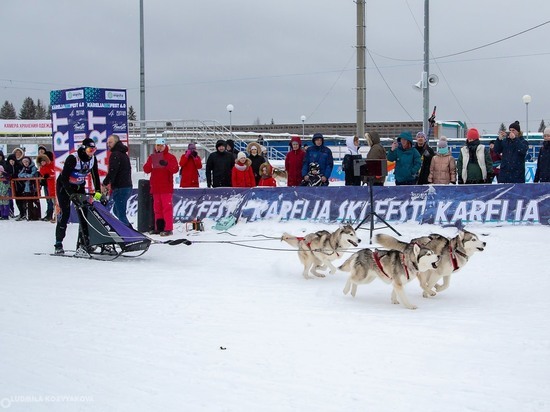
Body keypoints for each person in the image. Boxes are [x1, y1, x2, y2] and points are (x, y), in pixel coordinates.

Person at [55, 137, 101, 254]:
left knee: (84, 214)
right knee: (65, 214)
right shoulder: (73, 158)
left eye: (94, 150)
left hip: (79, 186)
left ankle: (85, 243)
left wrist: (98, 191)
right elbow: (64, 178)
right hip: (64, 187)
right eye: (90, 150)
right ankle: (58, 244)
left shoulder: (92, 159)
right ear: (83, 149)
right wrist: (71, 194)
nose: (92, 153)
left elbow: (95, 174)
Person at [143, 138, 179, 236]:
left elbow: (175, 169)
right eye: (157, 145)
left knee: (166, 208)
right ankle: (159, 227)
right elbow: (146, 169)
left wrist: (167, 164)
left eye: (161, 145)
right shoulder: (152, 157)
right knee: (157, 208)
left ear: (165, 146)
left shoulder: (170, 157)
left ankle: (168, 228)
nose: (159, 147)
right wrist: (150, 163)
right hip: (155, 187)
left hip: (166, 187)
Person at [102, 134, 133, 227]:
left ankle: (129, 233)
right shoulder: (123, 153)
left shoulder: (115, 154)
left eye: (110, 142)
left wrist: (105, 183)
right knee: (117, 211)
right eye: (107, 143)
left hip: (121, 187)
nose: (108, 144)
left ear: (116, 142)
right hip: (127, 186)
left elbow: (113, 171)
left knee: (121, 214)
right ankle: (128, 232)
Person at [17, 156, 41, 221]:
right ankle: (29, 215)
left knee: (35, 201)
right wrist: (25, 175)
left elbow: (32, 175)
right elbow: (19, 175)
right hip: (26, 188)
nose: (25, 163)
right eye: (24, 162)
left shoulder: (33, 168)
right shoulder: (24, 168)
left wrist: (26, 176)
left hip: (33, 187)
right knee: (28, 202)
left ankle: (36, 216)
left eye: (27, 161)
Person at [36, 153, 56, 222]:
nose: (42, 163)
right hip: (51, 187)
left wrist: (50, 175)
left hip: (56, 185)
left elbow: (56, 173)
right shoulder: (42, 169)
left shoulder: (53, 164)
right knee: (54, 203)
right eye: (41, 162)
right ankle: (55, 216)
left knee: (58, 203)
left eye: (43, 161)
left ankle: (57, 216)